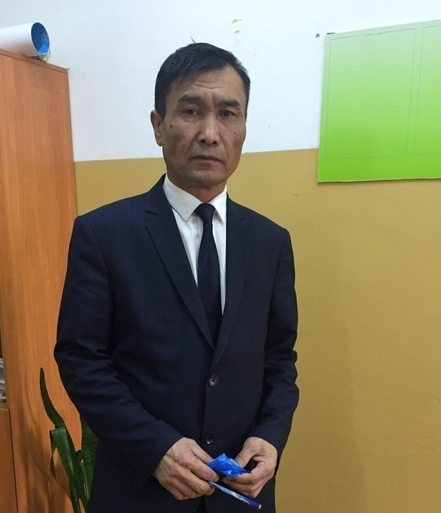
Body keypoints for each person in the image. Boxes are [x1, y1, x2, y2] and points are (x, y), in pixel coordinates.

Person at [55, 42, 298, 513]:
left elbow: (279, 359)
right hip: (141, 490)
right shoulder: (103, 234)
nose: (210, 133)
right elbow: (81, 359)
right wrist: (155, 448)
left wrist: (270, 436)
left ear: (243, 128)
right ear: (158, 125)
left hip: (241, 491)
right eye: (190, 111)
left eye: (228, 114)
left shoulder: (270, 242)